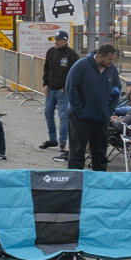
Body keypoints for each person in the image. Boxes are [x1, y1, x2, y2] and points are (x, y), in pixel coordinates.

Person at [62, 42, 120, 171]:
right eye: (109, 59)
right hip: (80, 117)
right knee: (77, 151)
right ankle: (75, 182)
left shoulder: (112, 70)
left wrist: (110, 110)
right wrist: (79, 109)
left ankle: (99, 183)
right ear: (99, 56)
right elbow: (71, 88)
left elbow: (116, 89)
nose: (111, 62)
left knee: (100, 153)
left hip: (101, 118)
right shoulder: (81, 66)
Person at [38, 29, 79, 151]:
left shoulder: (72, 55)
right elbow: (46, 69)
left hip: (63, 92)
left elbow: (75, 74)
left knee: (63, 116)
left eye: (58, 40)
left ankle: (62, 142)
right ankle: (52, 139)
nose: (56, 42)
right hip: (50, 89)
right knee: (48, 113)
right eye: (55, 39)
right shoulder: (51, 52)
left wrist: (67, 87)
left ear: (65, 41)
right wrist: (45, 84)